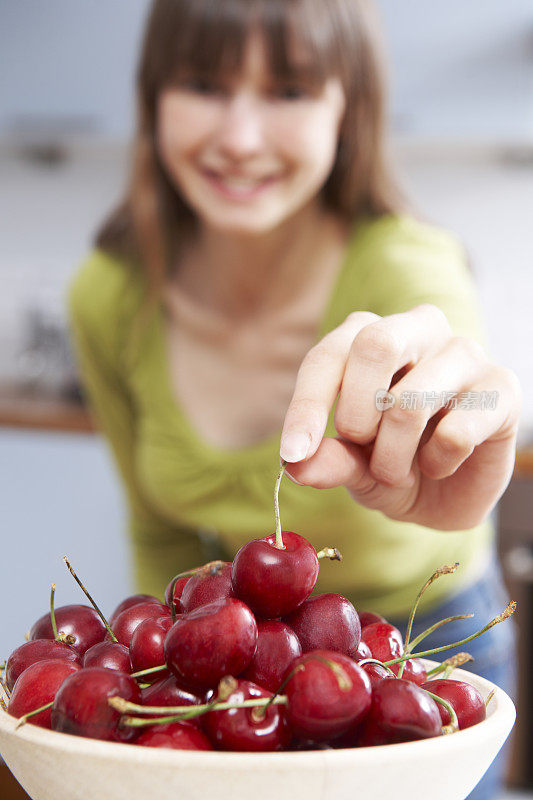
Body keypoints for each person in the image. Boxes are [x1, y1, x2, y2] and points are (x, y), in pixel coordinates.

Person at [68, 1, 520, 796]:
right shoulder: (109, 295)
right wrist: (173, 686)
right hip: (234, 678)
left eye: (289, 92)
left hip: (419, 659)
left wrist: (474, 423)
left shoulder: (408, 270)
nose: (239, 138)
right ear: (151, 97)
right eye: (204, 83)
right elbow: (160, 527)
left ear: (349, 108)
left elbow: (469, 394)